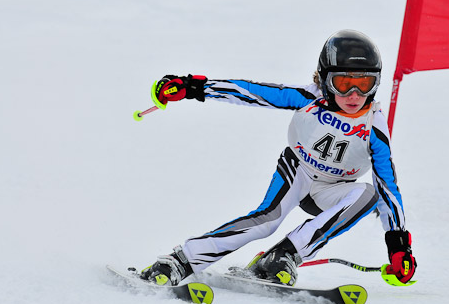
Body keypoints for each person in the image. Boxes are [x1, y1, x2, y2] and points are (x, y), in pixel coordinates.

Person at [140, 29, 417, 287]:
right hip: (299, 170)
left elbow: (387, 187)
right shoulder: (311, 97)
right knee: (267, 221)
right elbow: (253, 93)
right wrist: (193, 87)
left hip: (334, 188)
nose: (354, 95)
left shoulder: (375, 125)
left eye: (365, 84)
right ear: (325, 79)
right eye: (343, 83)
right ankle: (181, 260)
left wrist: (398, 246)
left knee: (367, 195)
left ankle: (283, 255)